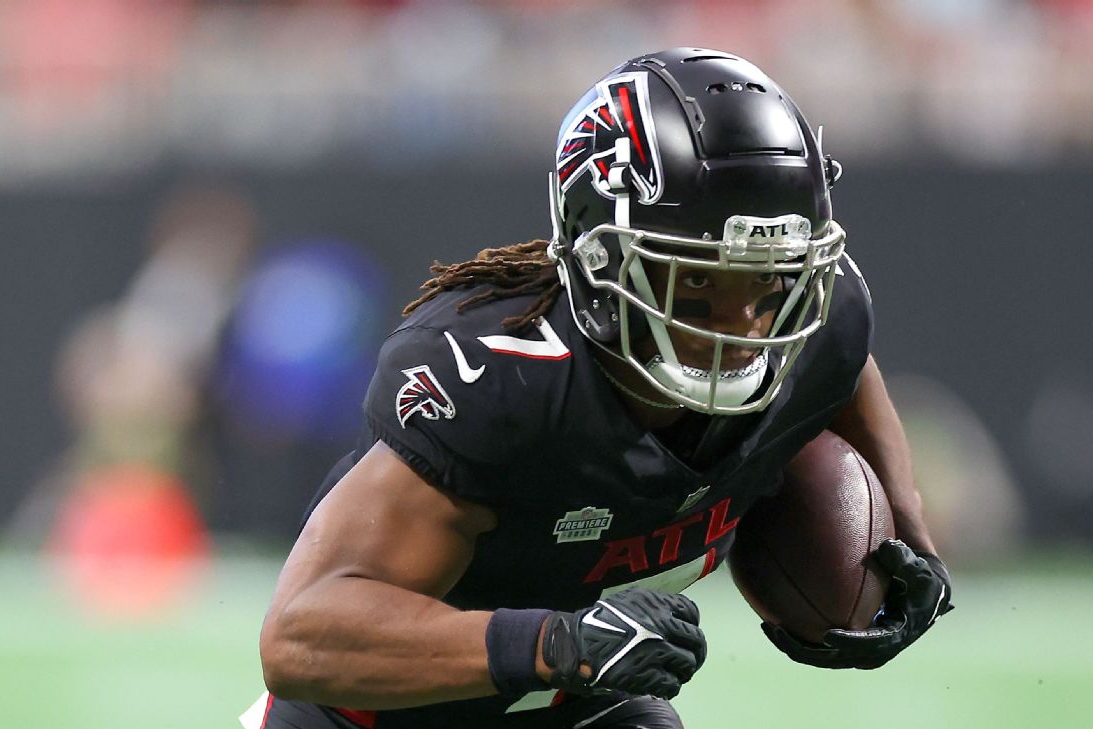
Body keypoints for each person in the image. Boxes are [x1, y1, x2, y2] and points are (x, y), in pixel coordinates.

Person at [251, 47, 952, 729]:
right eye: (701, 283)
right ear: (599, 260)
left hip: (580, 706)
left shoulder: (816, 328)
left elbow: (842, 361)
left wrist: (910, 531)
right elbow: (301, 635)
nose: (746, 329)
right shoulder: (505, 381)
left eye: (769, 281)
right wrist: (561, 645)